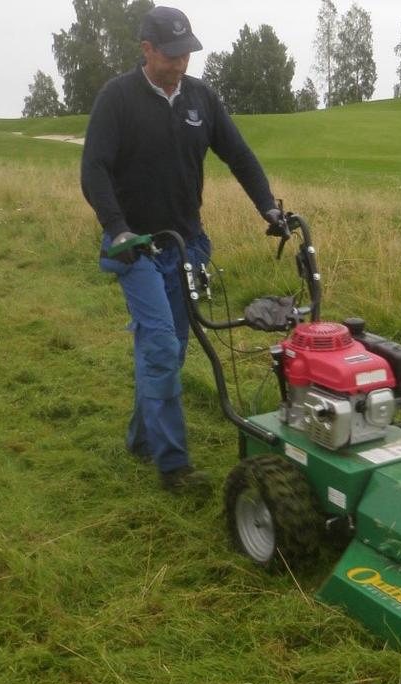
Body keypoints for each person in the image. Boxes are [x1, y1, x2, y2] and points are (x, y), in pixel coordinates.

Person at [81, 6, 281, 491]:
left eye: (186, 52)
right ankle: (174, 466)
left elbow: (239, 155)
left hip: (188, 245)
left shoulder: (201, 99)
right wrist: (118, 228)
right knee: (161, 348)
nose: (181, 62)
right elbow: (95, 170)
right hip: (139, 247)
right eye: (171, 54)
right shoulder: (118, 98)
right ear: (146, 50)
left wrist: (268, 209)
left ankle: (140, 439)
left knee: (171, 347)